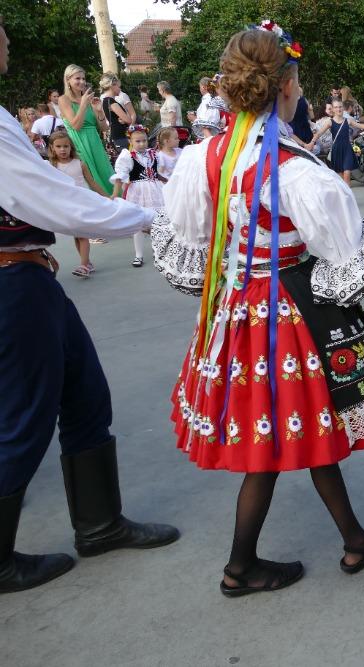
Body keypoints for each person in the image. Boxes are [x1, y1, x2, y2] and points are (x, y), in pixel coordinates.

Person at [151, 23, 364, 596]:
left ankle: (354, 539)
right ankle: (239, 567)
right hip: (288, 317)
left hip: (237, 314)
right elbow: (347, 256)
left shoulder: (205, 156)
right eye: (297, 81)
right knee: (277, 440)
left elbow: (197, 244)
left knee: (305, 425)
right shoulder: (295, 168)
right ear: (285, 86)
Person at [0, 18, 179, 595]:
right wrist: (151, 216)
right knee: (21, 417)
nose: (8, 39)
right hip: (12, 282)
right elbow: (48, 198)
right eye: (2, 31)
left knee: (83, 393)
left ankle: (99, 526)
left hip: (29, 274)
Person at [48, 130, 104, 278]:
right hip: (65, 206)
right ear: (52, 148)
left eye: (66, 146)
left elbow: (92, 183)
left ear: (71, 147)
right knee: (77, 236)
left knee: (82, 235)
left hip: (80, 204)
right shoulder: (51, 166)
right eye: (58, 146)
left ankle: (84, 266)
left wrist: (107, 197)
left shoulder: (79, 164)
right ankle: (87, 263)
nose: (62, 149)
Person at [111, 125, 164, 269]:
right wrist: (115, 194)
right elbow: (120, 176)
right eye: (138, 141)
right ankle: (138, 255)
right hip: (138, 192)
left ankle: (158, 252)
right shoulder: (127, 156)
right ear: (130, 141)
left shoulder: (154, 154)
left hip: (156, 191)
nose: (142, 144)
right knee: (138, 224)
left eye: (144, 141)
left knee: (158, 221)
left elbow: (158, 173)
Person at [58, 64, 114, 196]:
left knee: (105, 173)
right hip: (79, 143)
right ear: (68, 80)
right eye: (78, 78)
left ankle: (112, 201)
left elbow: (104, 128)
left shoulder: (88, 100)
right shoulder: (63, 99)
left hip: (95, 143)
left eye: (83, 78)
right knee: (89, 179)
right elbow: (75, 126)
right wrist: (83, 104)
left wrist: (99, 111)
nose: (82, 82)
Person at [308, 98, 364, 184]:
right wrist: (312, 143)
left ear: (343, 108)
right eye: (336, 107)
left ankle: (347, 191)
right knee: (341, 179)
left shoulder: (348, 120)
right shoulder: (330, 122)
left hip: (347, 149)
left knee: (347, 173)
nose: (338, 109)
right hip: (337, 150)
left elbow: (361, 126)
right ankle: (346, 192)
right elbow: (319, 133)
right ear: (333, 109)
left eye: (340, 107)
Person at [100, 73, 135, 152]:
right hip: (119, 137)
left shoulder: (107, 101)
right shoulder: (111, 102)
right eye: (119, 87)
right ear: (112, 85)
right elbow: (128, 120)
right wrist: (124, 119)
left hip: (117, 136)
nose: (120, 89)